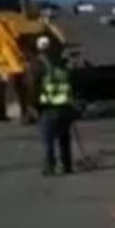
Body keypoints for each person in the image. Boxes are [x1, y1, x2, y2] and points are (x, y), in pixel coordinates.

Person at [29, 35, 77, 176]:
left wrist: (33, 106)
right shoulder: (62, 63)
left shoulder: (37, 65)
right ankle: (67, 165)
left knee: (48, 140)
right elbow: (71, 83)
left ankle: (50, 168)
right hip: (65, 107)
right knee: (64, 138)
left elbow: (33, 88)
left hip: (48, 108)